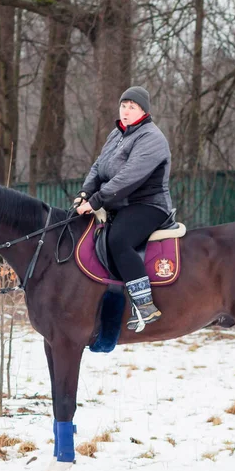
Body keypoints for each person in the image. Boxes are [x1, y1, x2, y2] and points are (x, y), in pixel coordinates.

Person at [75, 86, 172, 332]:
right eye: (123, 106)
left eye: (132, 107)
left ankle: (145, 304)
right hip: (118, 204)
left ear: (143, 111)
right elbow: (98, 166)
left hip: (148, 205)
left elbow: (129, 178)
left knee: (118, 239)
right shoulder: (117, 134)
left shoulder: (152, 138)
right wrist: (84, 193)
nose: (126, 111)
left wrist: (96, 201)